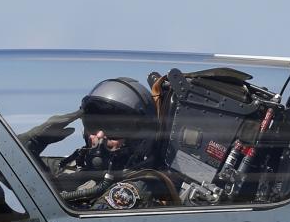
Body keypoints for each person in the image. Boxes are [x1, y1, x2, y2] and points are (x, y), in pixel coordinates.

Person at [18, 77, 178, 210]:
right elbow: (7, 170)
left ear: (140, 138)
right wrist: (35, 140)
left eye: (115, 128)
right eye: (94, 125)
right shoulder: (69, 167)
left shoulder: (140, 184)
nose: (100, 135)